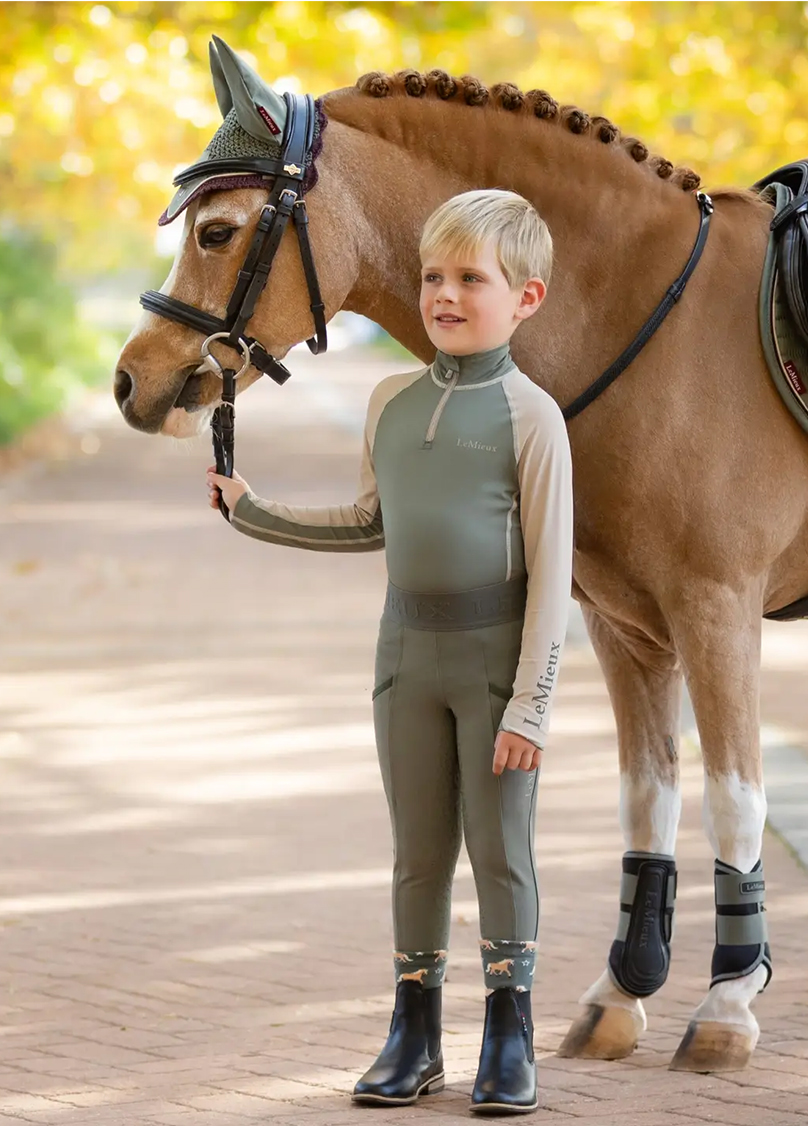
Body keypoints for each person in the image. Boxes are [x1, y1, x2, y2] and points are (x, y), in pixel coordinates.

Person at [207, 189, 571, 1115]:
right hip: (405, 660)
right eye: (431, 277)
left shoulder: (533, 420)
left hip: (493, 667)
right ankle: (414, 1032)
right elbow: (368, 523)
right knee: (417, 855)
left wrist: (530, 706)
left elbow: (554, 581)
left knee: (500, 851)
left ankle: (508, 1032)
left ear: (525, 298)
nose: (444, 295)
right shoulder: (390, 404)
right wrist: (253, 510)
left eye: (470, 279)